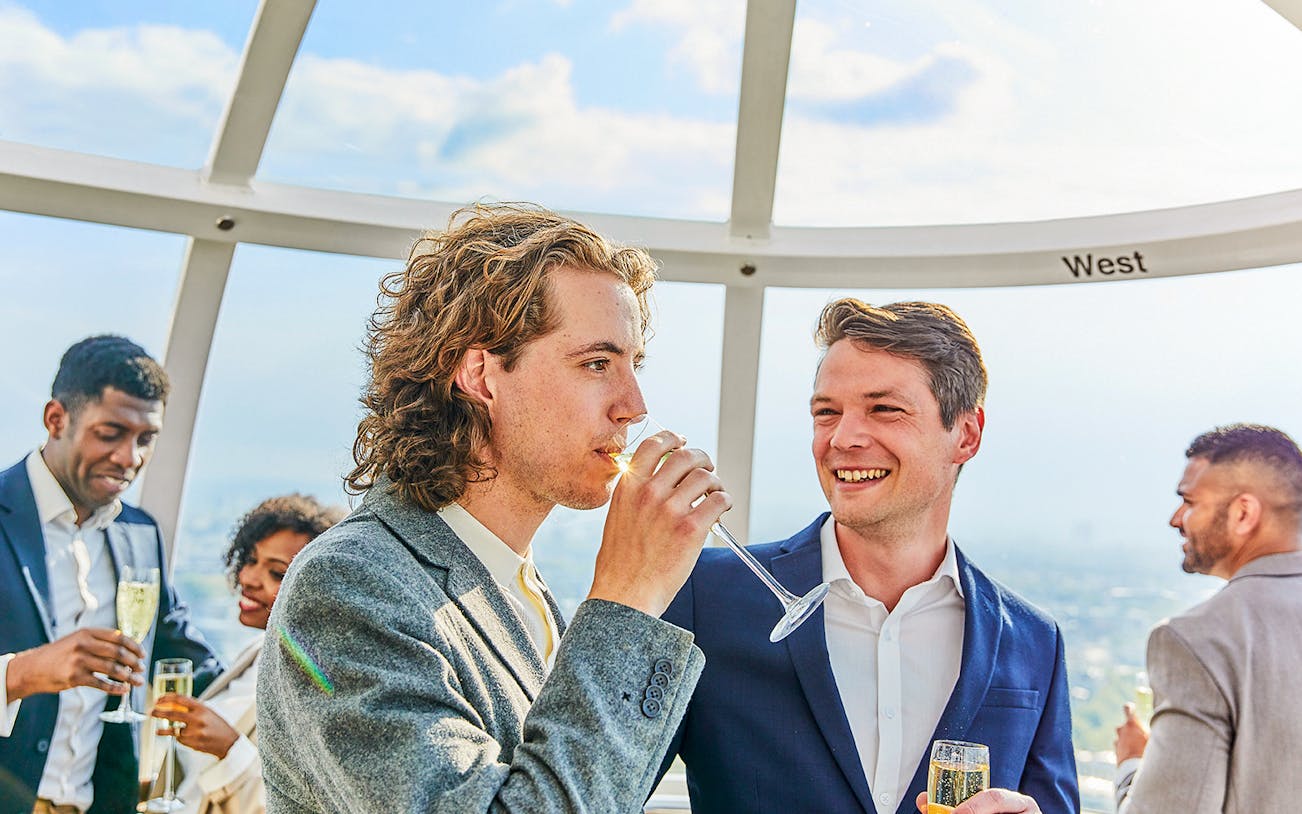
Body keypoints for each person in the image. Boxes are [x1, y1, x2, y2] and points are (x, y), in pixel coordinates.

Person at [256, 203, 732, 813]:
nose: (634, 405)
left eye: (632, 366)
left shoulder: (517, 586)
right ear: (481, 376)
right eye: (596, 364)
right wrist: (627, 599)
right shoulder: (348, 586)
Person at [661, 299, 1078, 814]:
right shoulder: (705, 596)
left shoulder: (1035, 641)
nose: (842, 438)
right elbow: (599, 788)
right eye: (826, 413)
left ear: (966, 435)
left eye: (883, 409)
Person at [1, 335, 221, 814]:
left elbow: (183, 652)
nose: (129, 458)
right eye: (110, 433)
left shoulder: (141, 533)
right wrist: (22, 673)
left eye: (145, 439)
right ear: (56, 419)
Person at [1112, 424, 1302, 813]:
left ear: (1243, 513)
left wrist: (1132, 766)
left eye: (1189, 502)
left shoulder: (1198, 640)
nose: (1176, 518)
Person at [147, 494, 344, 814]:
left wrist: (228, 748)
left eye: (277, 573)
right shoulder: (261, 651)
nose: (249, 578)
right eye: (251, 560)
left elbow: (314, 804)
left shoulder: (324, 684)